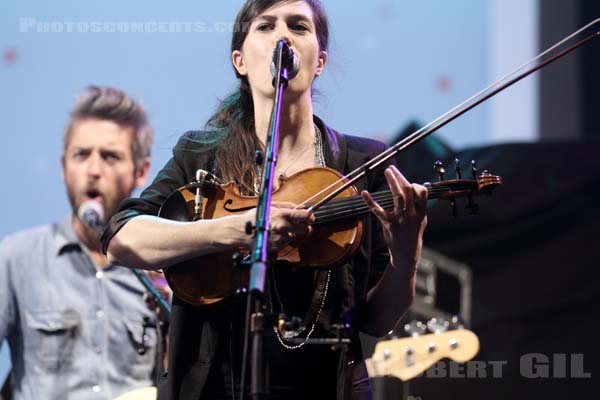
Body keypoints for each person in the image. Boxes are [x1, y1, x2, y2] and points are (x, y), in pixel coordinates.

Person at [103, 1, 428, 399]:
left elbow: (377, 321)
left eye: (298, 26)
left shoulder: (363, 165)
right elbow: (122, 239)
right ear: (240, 60)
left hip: (327, 388)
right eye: (265, 26)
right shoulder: (199, 154)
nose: (283, 37)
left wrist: (406, 255)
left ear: (320, 60)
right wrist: (242, 228)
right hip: (212, 389)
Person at [0, 86, 161, 400]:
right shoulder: (16, 258)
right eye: (81, 155)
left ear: (141, 171)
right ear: (63, 167)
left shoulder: (159, 270)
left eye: (110, 156)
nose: (93, 170)